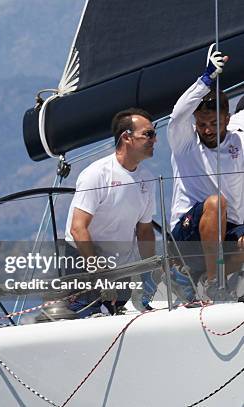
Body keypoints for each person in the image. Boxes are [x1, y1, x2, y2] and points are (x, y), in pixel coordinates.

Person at [64, 108, 157, 316]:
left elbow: (144, 231)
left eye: (154, 133)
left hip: (120, 267)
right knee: (88, 321)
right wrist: (99, 273)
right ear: (127, 137)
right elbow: (78, 228)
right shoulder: (96, 174)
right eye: (148, 134)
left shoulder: (147, 179)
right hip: (84, 263)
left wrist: (150, 272)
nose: (154, 140)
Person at [167, 48, 244, 299]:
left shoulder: (239, 141)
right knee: (216, 203)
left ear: (228, 119)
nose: (208, 130)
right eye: (202, 124)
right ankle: (214, 284)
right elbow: (178, 113)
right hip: (186, 235)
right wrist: (206, 79)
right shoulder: (185, 144)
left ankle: (199, 277)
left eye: (215, 123)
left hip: (225, 235)